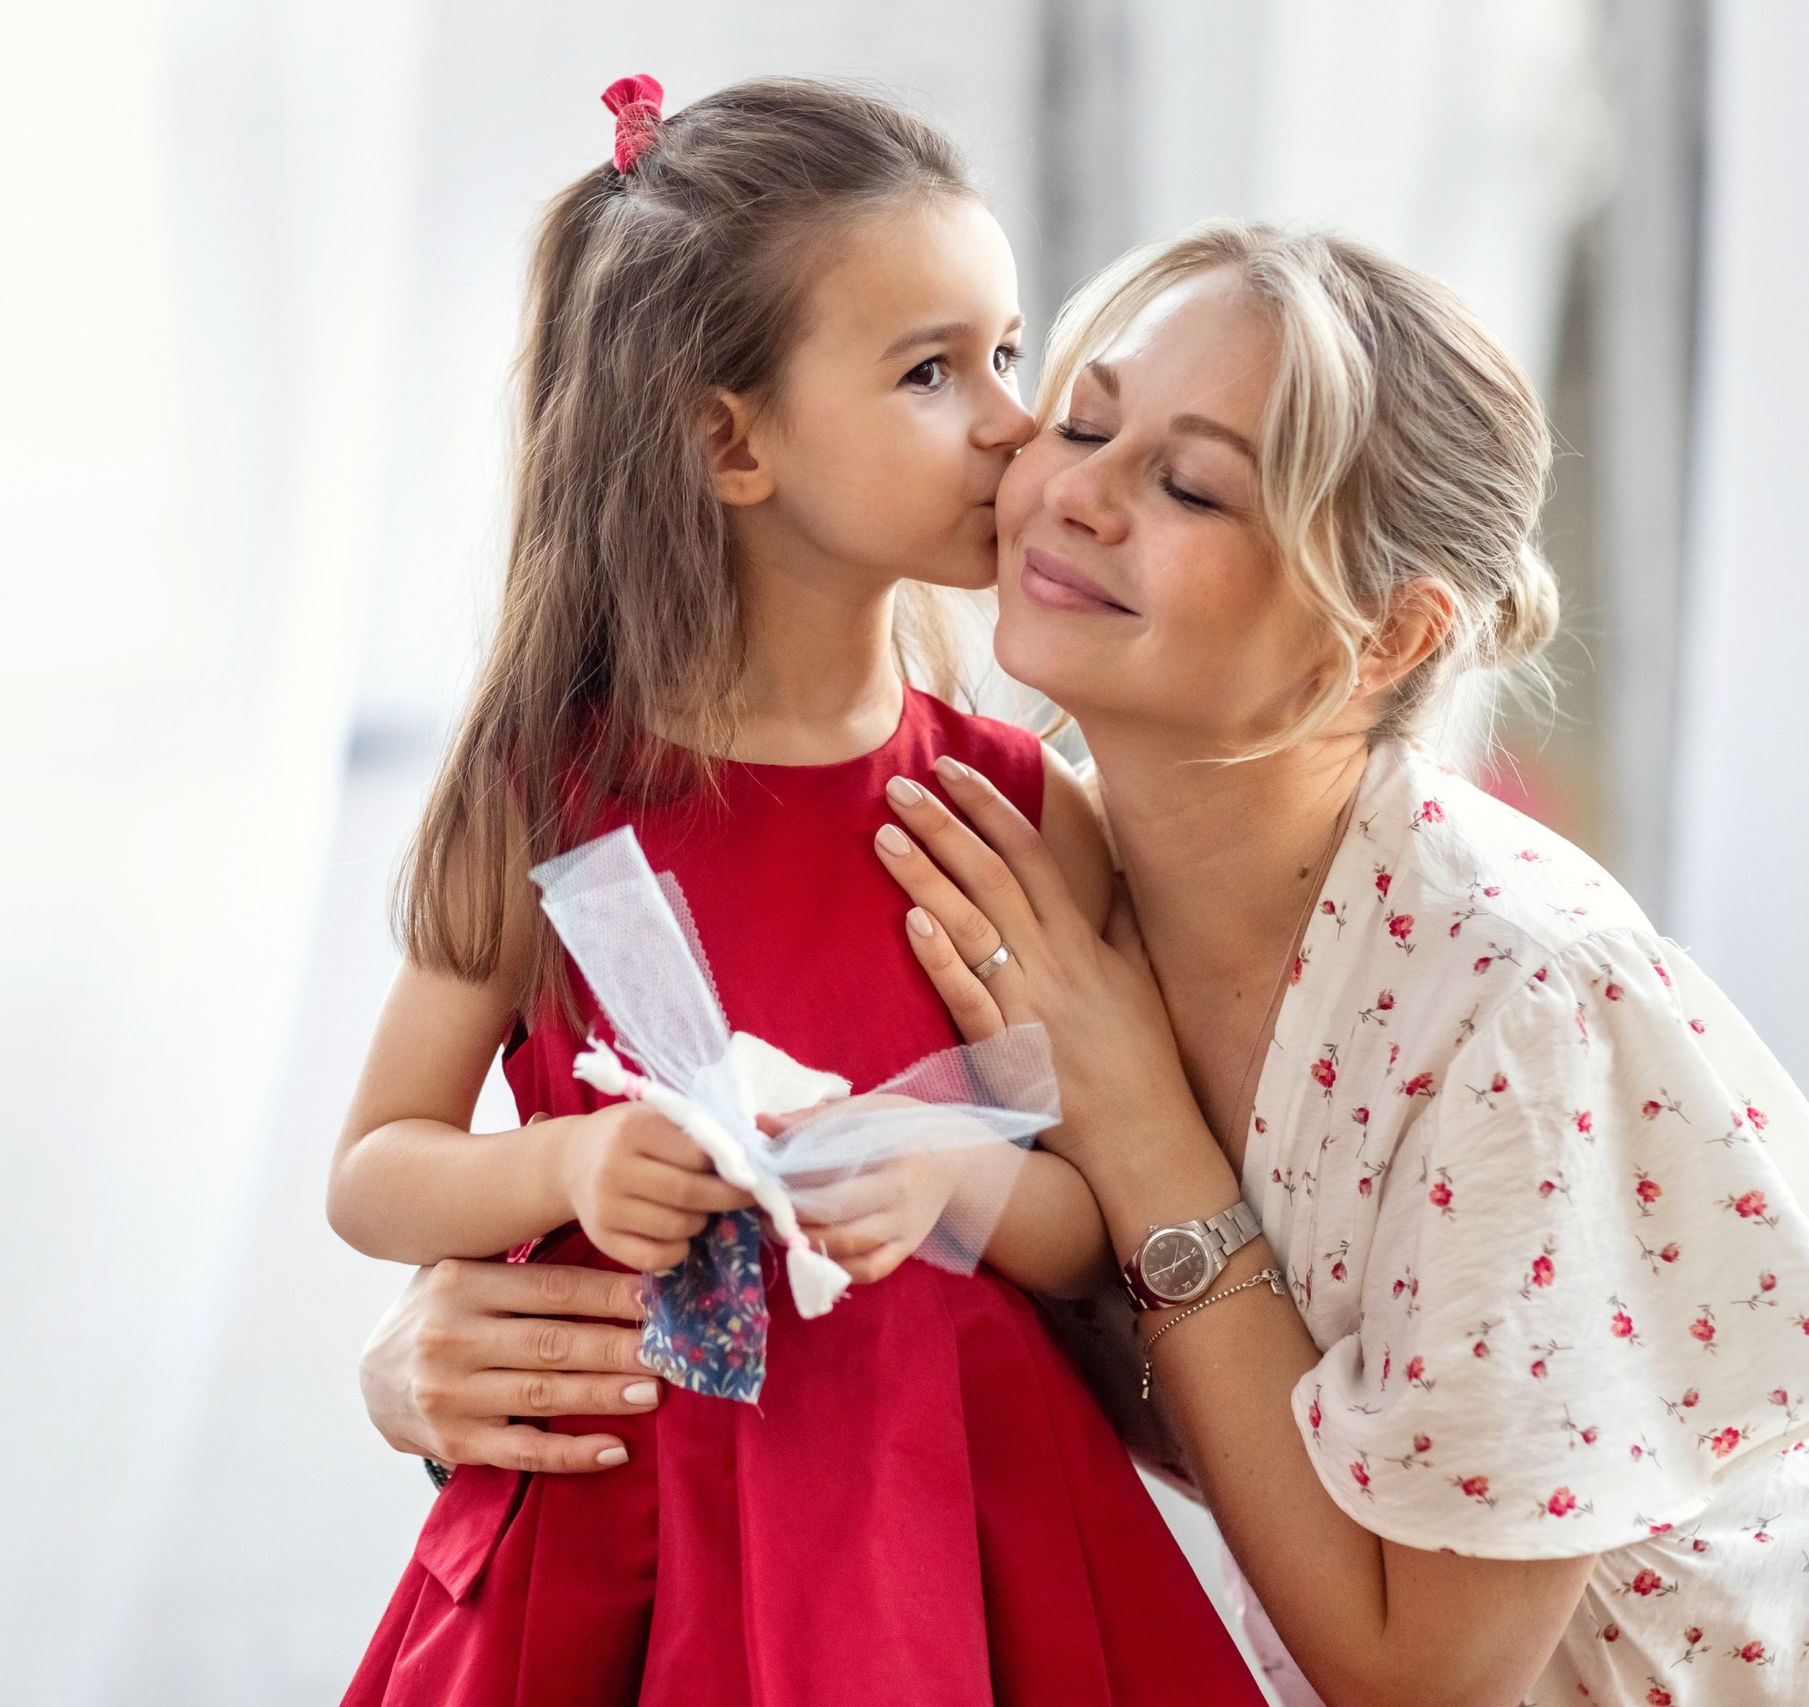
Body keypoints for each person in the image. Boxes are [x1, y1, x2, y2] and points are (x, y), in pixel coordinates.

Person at [863, 222, 1809, 1705]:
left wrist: (1149, 1143)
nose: (1075, 493)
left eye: (1191, 484)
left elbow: (1424, 1681)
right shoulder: (1018, 877)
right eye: (1085, 421)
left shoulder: (1522, 1002)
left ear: (1383, 637)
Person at [327, 78, 1261, 1707]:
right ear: (727, 441)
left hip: (947, 1554)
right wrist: (574, 1161)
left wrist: (943, 1178)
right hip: (624, 1557)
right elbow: (376, 1175)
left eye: (1009, 354)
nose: (1011, 423)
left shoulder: (1021, 810)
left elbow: (1091, 1225)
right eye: (930, 372)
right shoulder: (540, 796)